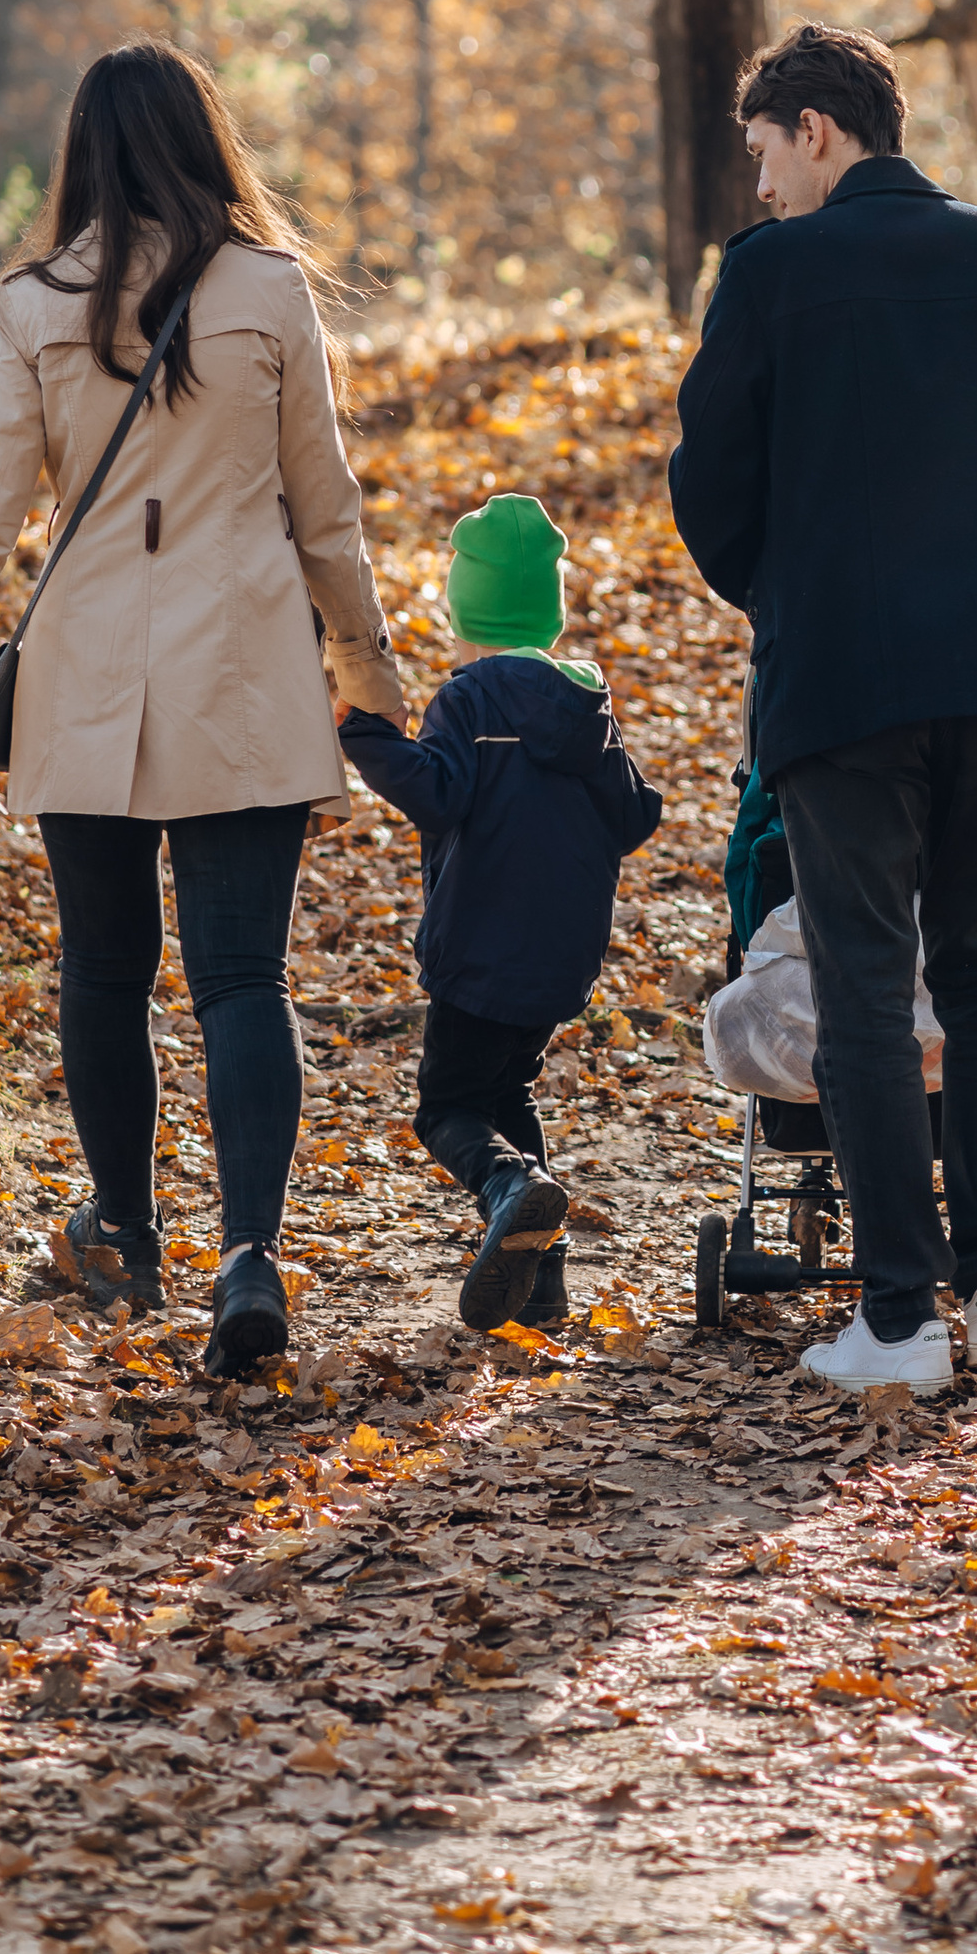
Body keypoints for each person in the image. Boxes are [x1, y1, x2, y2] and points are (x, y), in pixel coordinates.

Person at [0, 41, 407, 1381]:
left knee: (103, 970)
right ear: (207, 140)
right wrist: (370, 672)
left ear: (82, 155)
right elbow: (326, 511)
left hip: (87, 674)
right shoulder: (271, 288)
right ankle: (251, 1255)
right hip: (246, 670)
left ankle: (132, 1238)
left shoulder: (36, 302)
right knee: (242, 978)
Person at [668, 20, 977, 1395]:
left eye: (764, 153)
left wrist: (788, 590)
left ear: (816, 128)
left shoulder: (770, 274)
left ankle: (896, 1318)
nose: (760, 187)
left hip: (844, 681)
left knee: (871, 995)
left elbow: (707, 486)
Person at [336, 490, 662, 1334]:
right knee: (508, 1092)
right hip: (560, 959)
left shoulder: (470, 700)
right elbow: (635, 818)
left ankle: (508, 1188)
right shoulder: (587, 709)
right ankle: (542, 1279)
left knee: (446, 1108)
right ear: (548, 613)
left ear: (464, 608)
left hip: (479, 949)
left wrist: (368, 737)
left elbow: (438, 794)